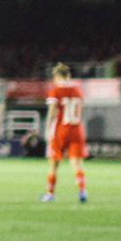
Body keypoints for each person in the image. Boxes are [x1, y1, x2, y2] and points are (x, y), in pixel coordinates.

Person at [42, 62, 89, 203]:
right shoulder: (78, 90)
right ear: (69, 75)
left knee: (54, 163)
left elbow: (52, 113)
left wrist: (47, 129)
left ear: (57, 76)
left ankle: (50, 194)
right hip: (77, 129)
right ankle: (82, 191)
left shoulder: (56, 91)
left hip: (61, 130)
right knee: (77, 164)